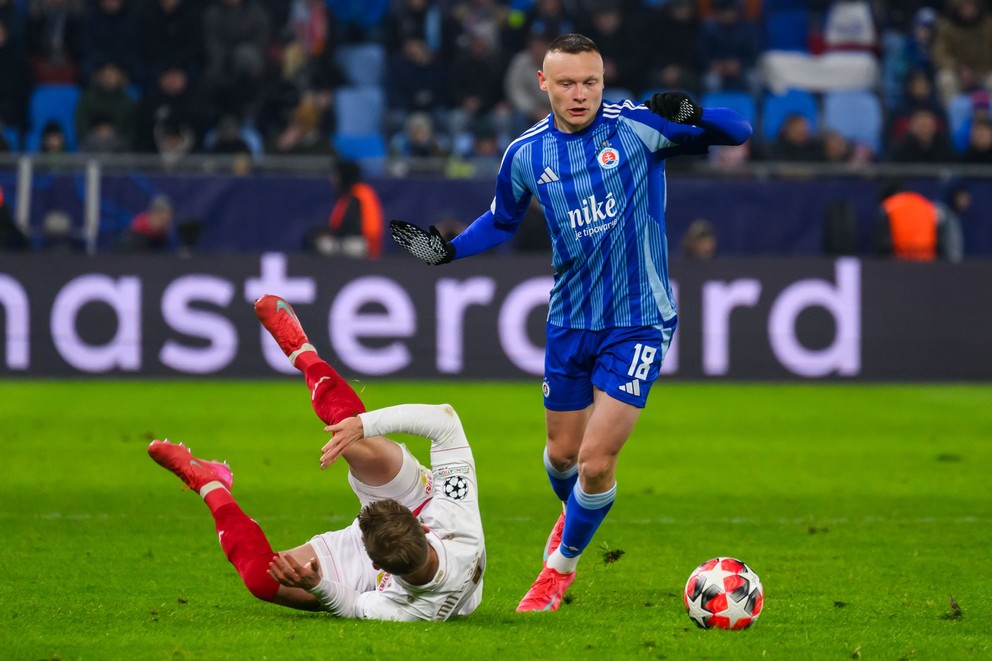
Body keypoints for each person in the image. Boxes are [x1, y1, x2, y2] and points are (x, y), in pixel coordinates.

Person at [390, 33, 752, 612]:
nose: (579, 94)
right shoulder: (526, 154)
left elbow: (738, 132)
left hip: (639, 319)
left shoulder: (639, 127)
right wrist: (450, 251)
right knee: (562, 456)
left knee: (595, 460)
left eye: (590, 82)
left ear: (603, 80)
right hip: (570, 321)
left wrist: (695, 114)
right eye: (566, 83)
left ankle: (558, 570)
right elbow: (501, 220)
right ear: (543, 84)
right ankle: (574, 515)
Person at [148, 295, 486, 621]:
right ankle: (302, 353)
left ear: (378, 566)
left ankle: (210, 483)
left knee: (264, 580)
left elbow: (354, 605)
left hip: (390, 555)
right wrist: (363, 425)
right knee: (351, 437)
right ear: (423, 525)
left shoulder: (404, 609)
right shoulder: (457, 520)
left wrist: (319, 586)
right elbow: (445, 422)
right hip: (421, 501)